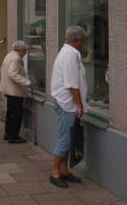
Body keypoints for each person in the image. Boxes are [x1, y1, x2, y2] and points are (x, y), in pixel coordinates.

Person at [49, 25, 87, 188]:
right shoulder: (69, 56)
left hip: (67, 101)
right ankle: (55, 172)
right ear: (78, 40)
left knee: (68, 137)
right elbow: (72, 84)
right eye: (83, 40)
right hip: (68, 103)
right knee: (65, 138)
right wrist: (79, 105)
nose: (83, 43)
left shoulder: (70, 53)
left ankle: (64, 170)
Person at [0, 41, 35, 143]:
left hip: (7, 88)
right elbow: (13, 74)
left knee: (10, 112)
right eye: (25, 51)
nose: (26, 53)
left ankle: (8, 133)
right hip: (14, 90)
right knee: (16, 114)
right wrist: (27, 82)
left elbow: (2, 70)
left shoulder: (9, 55)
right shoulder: (16, 58)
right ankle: (13, 136)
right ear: (21, 51)